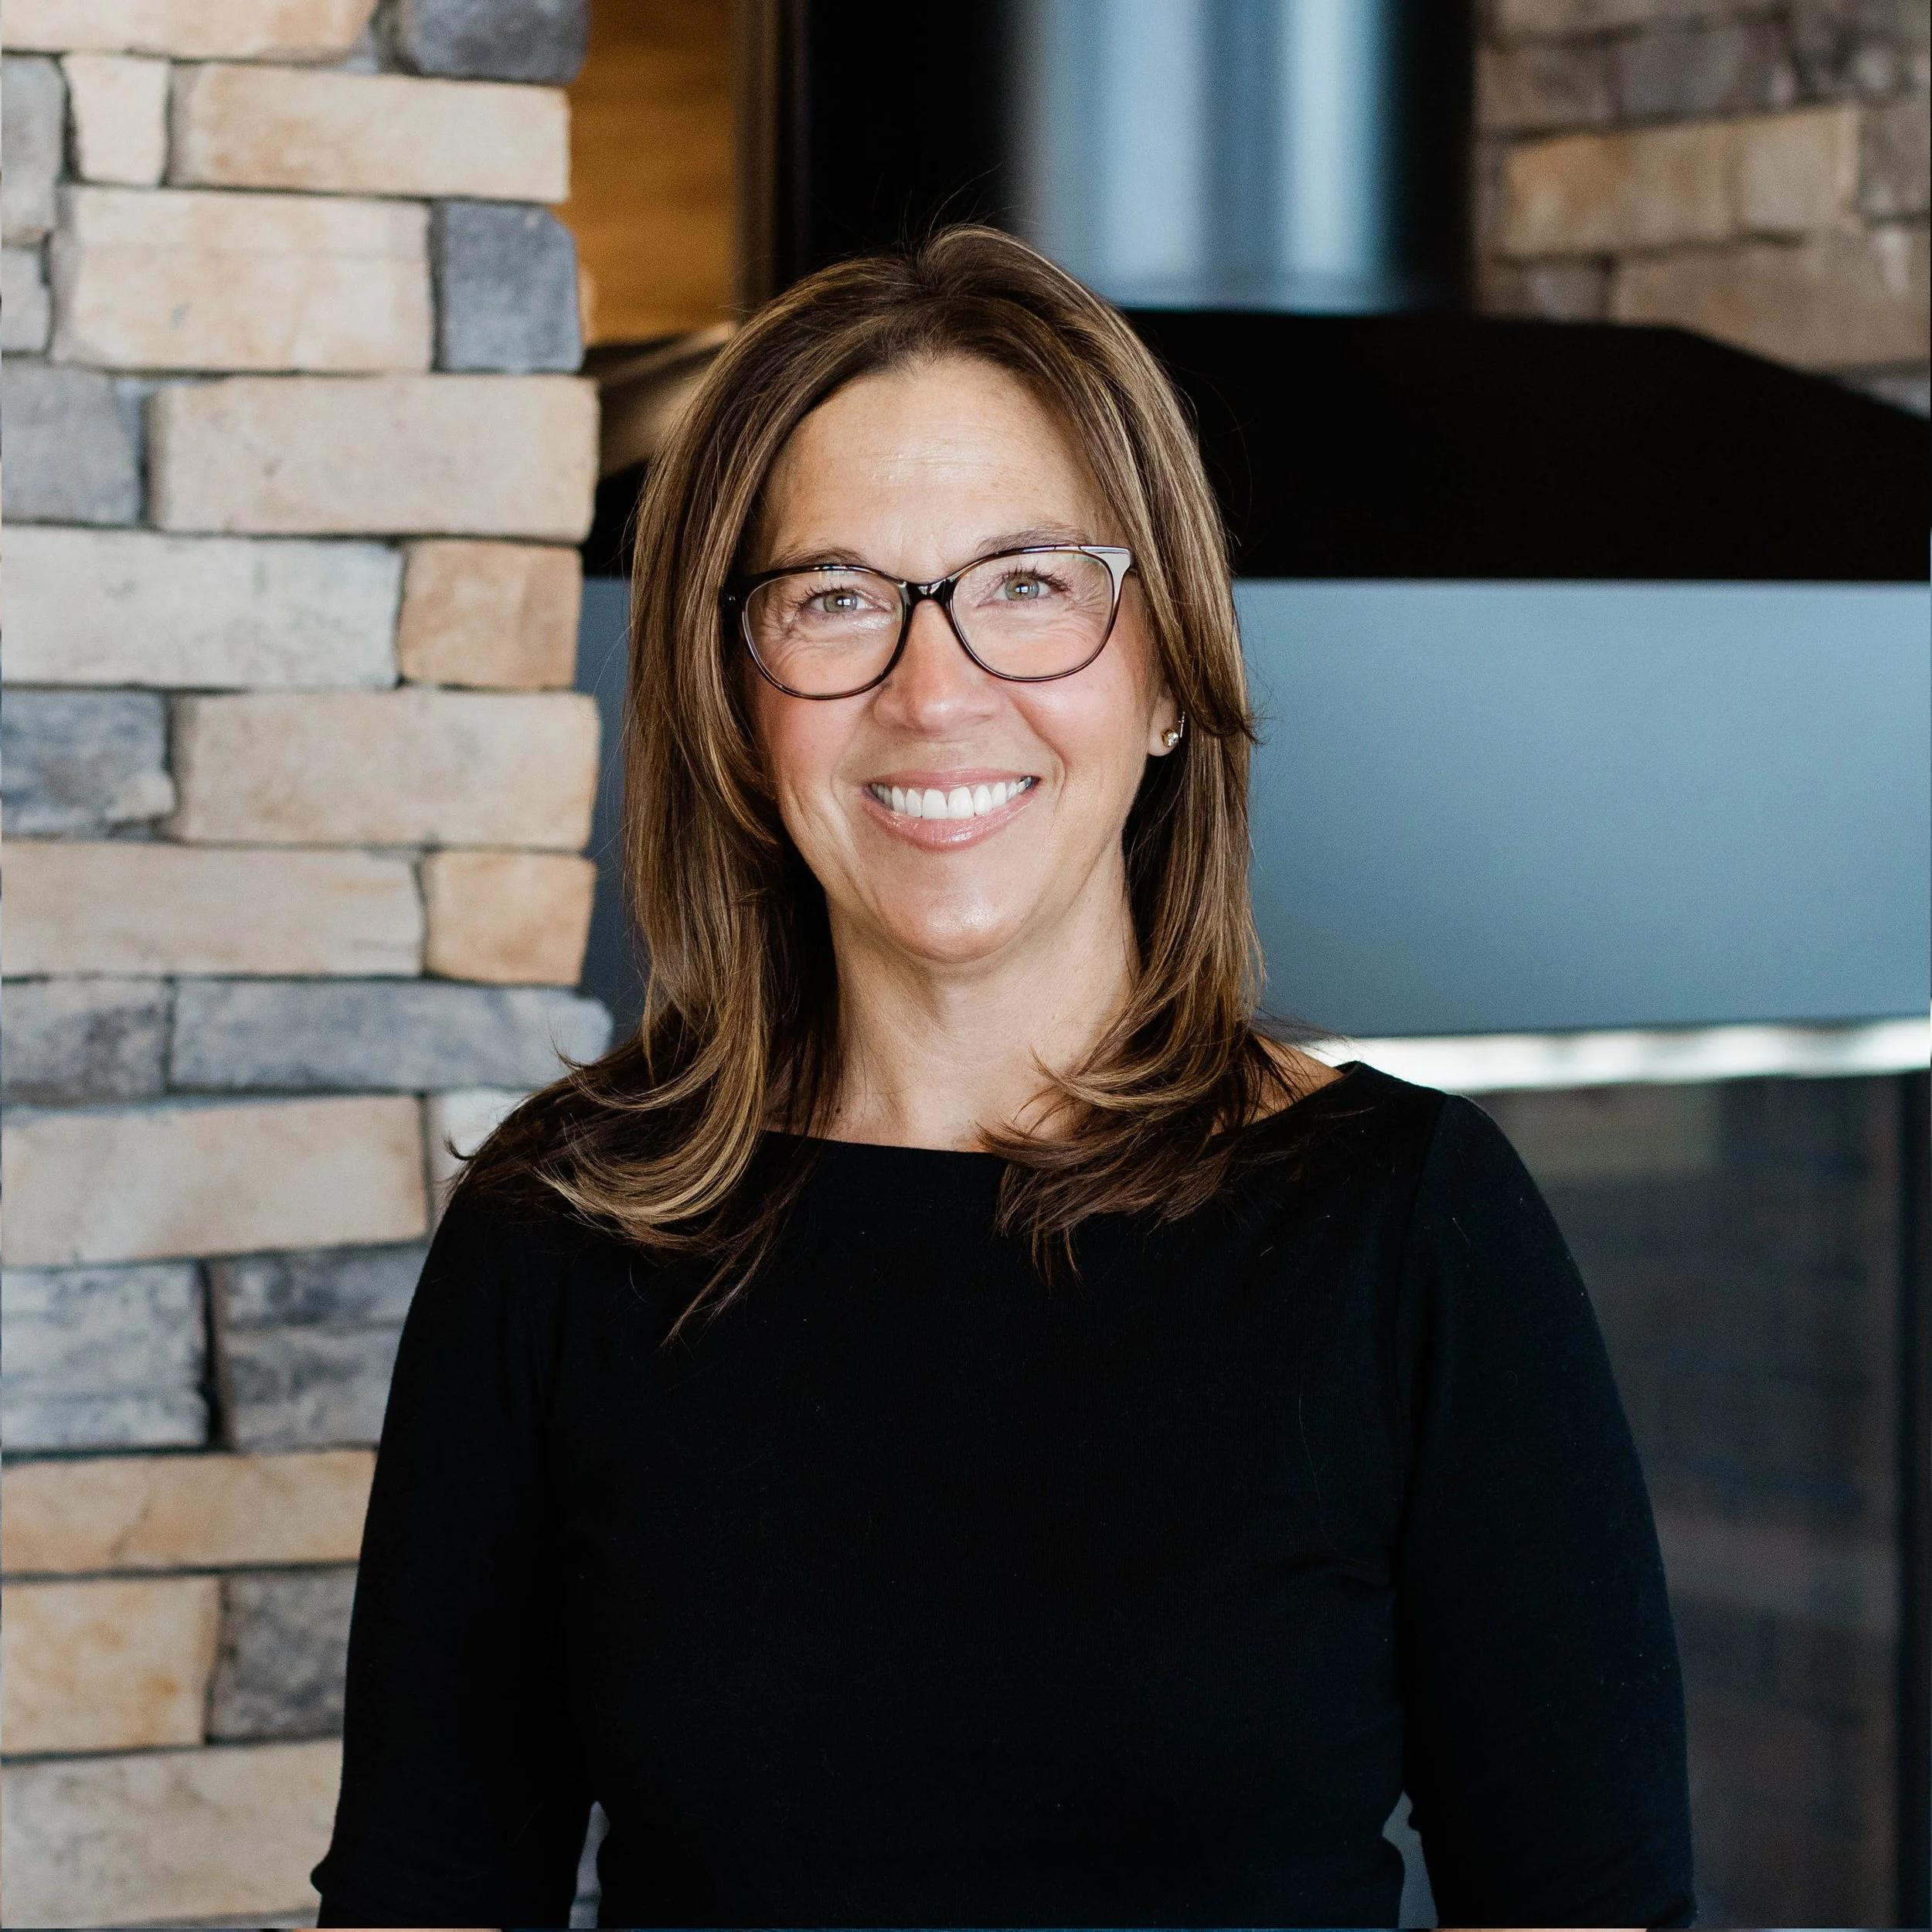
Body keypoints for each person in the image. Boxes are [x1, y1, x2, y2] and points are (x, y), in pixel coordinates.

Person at [312, 226, 1694, 1930]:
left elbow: (1582, 1906)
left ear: (1171, 671)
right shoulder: (557, 1232)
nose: (933, 685)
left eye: (1026, 583)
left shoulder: (1412, 1226)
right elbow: (425, 1897)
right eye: (834, 599)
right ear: (736, 703)